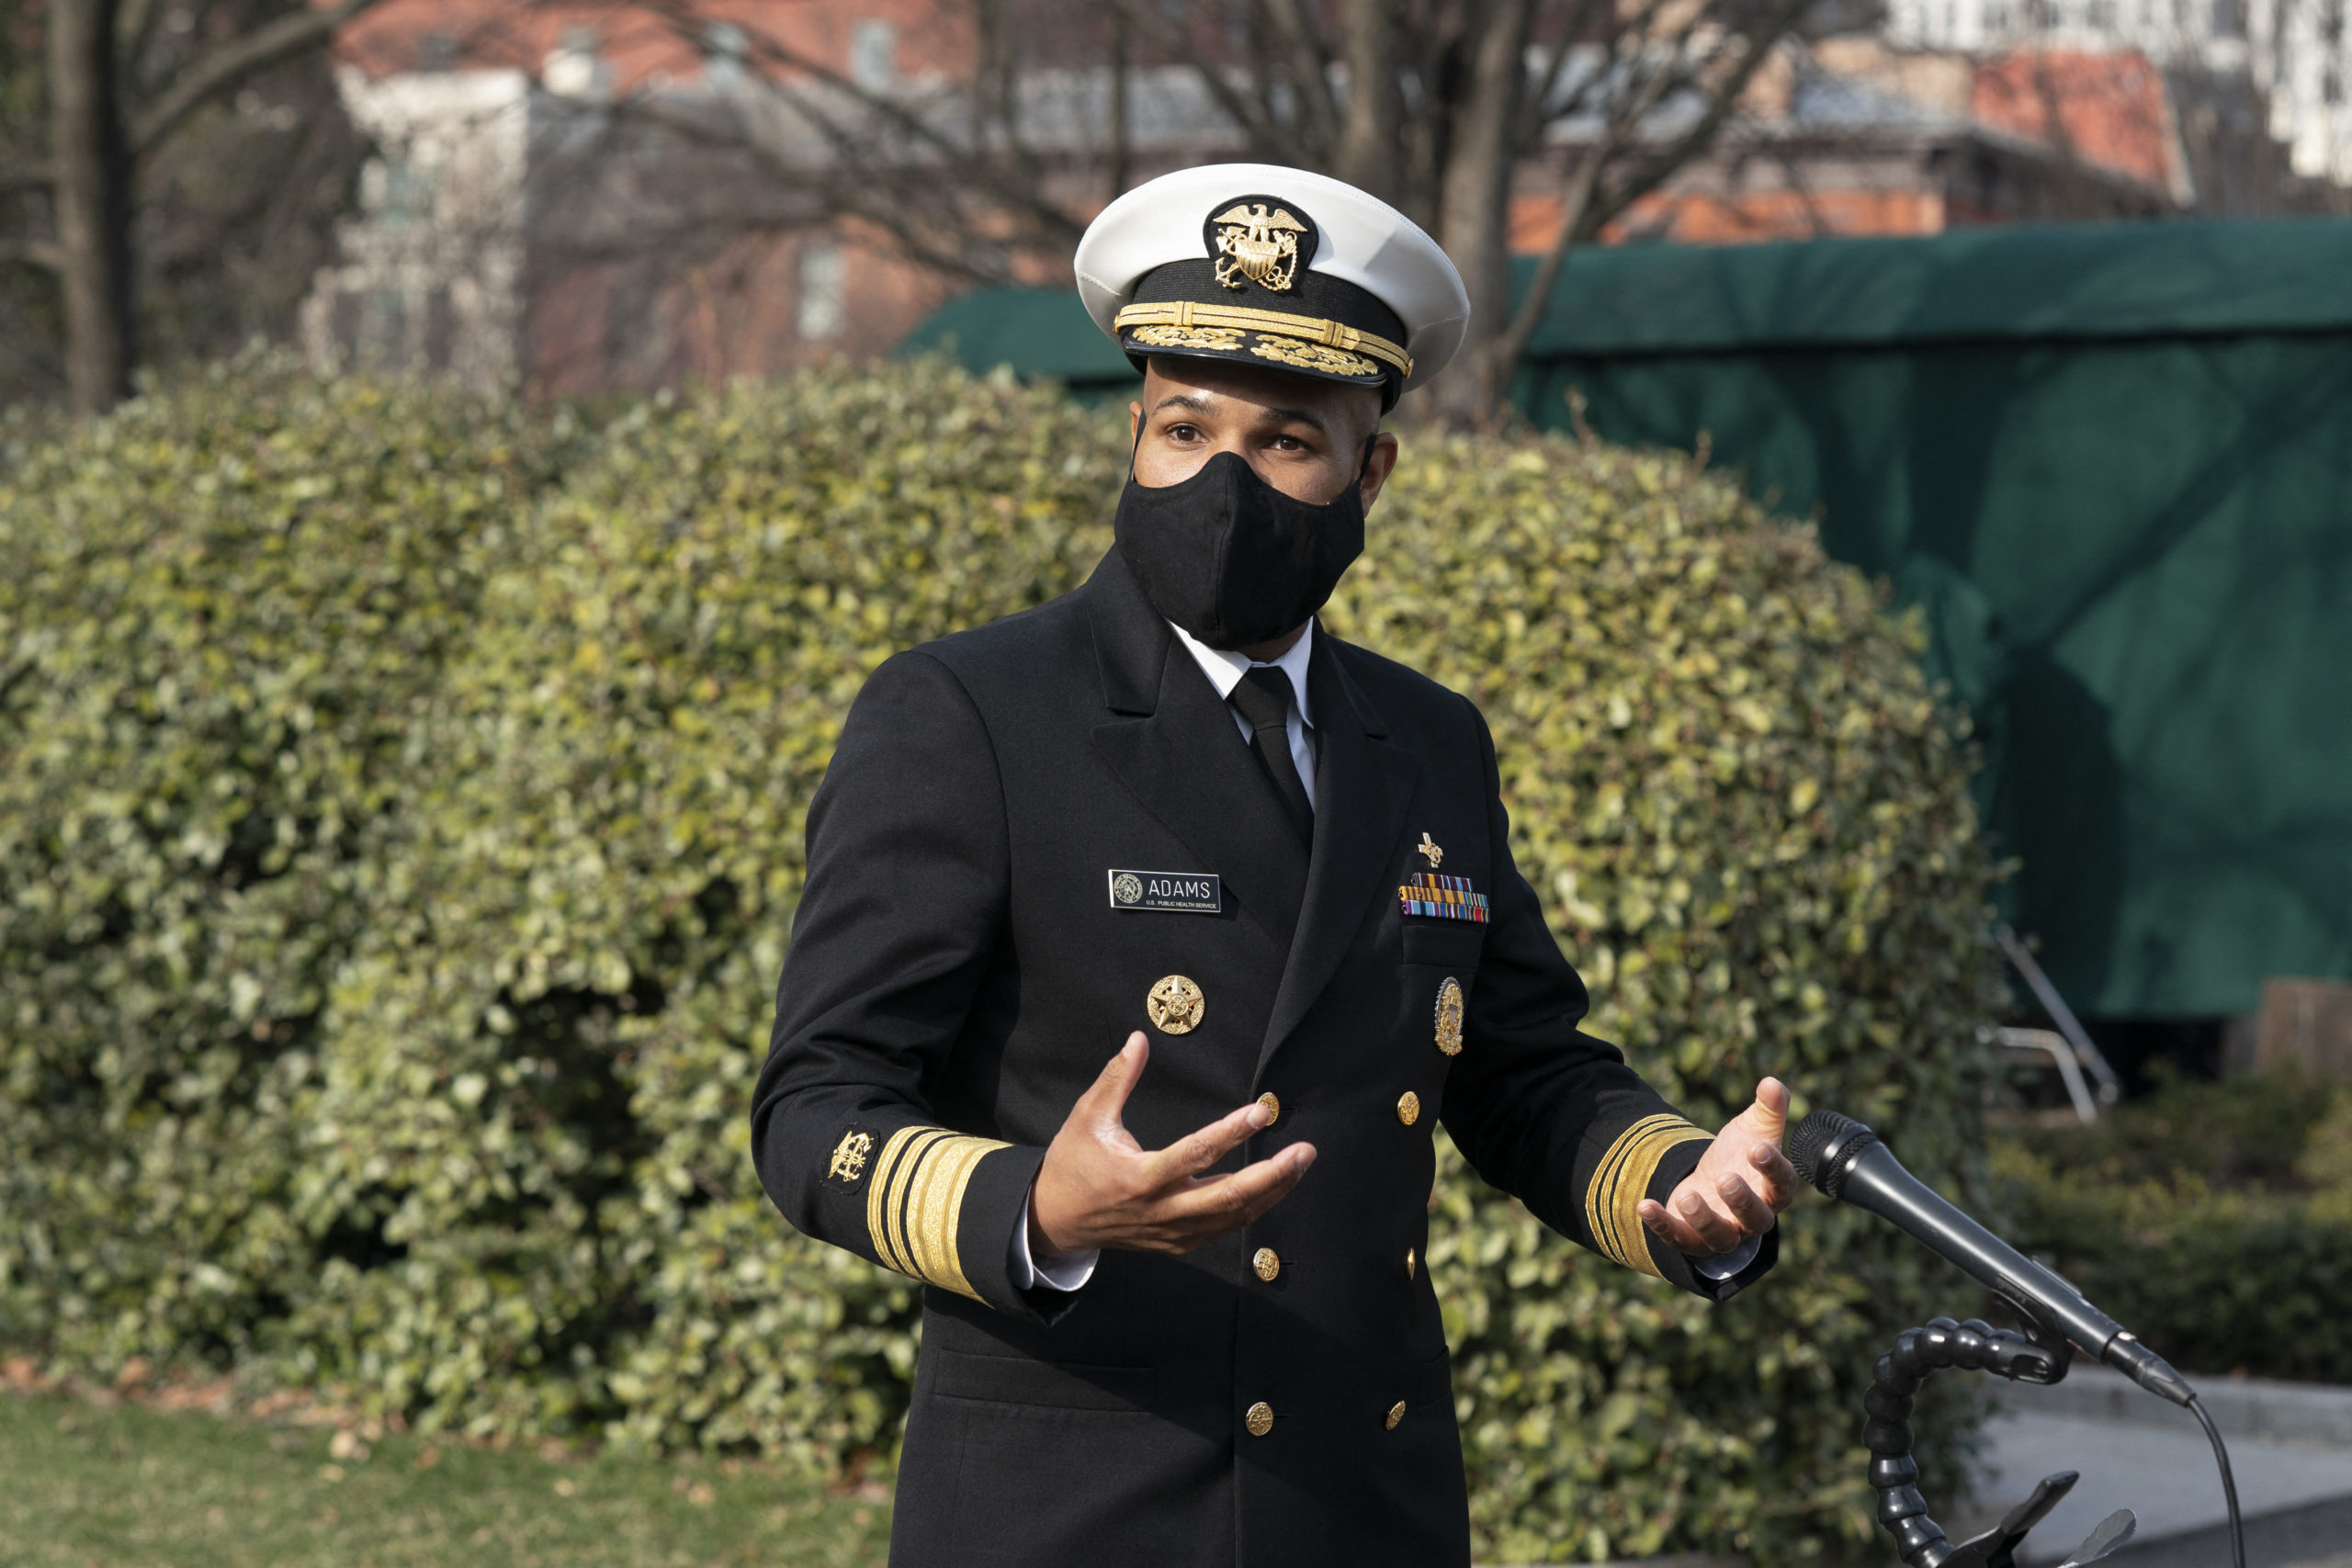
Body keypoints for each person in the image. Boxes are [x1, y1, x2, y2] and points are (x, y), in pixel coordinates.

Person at [750, 162, 1796, 1567]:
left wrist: (1677, 1181)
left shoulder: (1427, 742)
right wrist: (1040, 1209)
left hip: (1363, 1503)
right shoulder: (974, 716)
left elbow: (1522, 1065)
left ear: (1371, 471)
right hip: (1074, 1507)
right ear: (1134, 432)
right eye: (1183, 430)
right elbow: (816, 1108)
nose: (1223, 483)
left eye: (1287, 440)